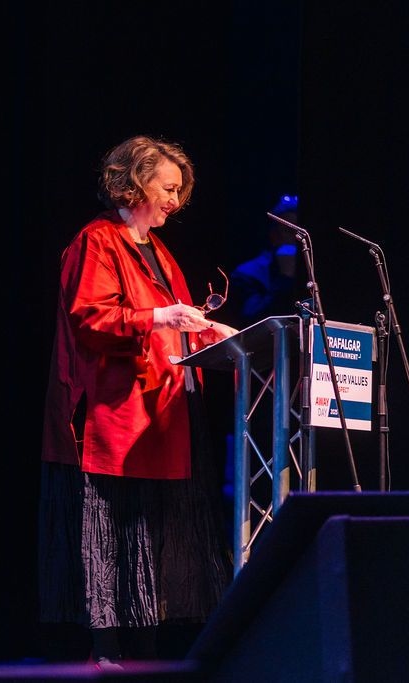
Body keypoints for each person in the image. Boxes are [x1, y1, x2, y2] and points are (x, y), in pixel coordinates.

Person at [39, 135, 238, 667]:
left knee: (150, 538)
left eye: (179, 191)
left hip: (162, 415)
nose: (175, 200)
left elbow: (176, 322)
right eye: (167, 188)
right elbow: (90, 319)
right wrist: (161, 317)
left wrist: (210, 331)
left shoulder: (159, 251)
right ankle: (105, 653)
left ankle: (146, 656)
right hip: (116, 414)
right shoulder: (97, 242)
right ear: (135, 183)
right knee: (110, 534)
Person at [228, 194, 303, 328]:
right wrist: (285, 278)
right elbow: (251, 318)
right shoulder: (248, 272)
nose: (295, 238)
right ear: (274, 235)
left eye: (299, 233)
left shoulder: (307, 268)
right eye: (288, 231)